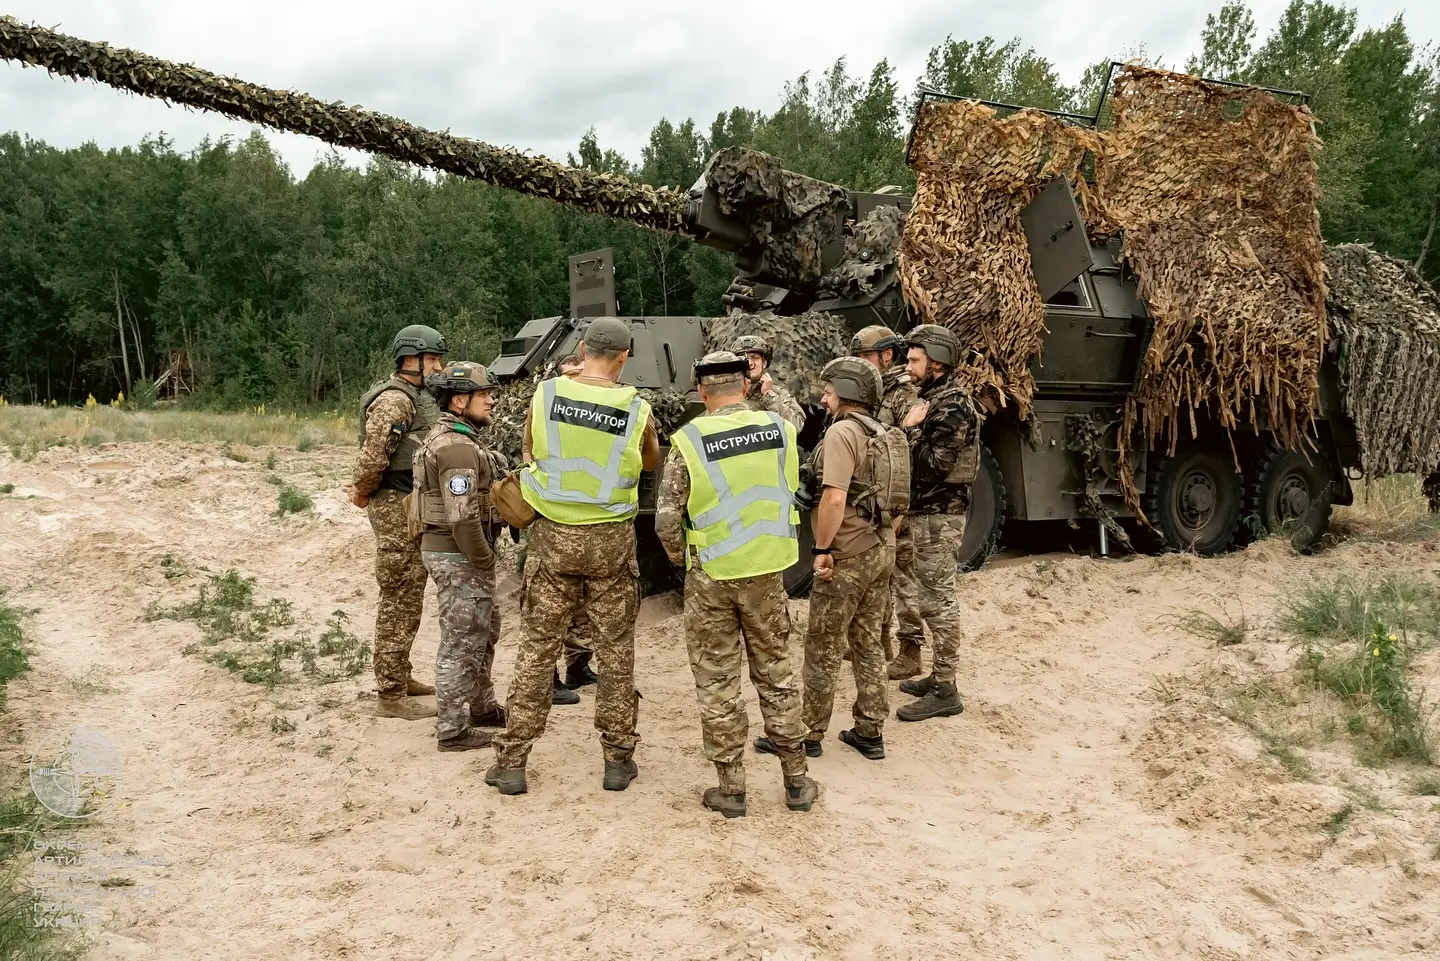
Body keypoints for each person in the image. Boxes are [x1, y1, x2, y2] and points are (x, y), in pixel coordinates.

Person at [486, 317, 660, 795]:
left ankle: (513, 762)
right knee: (616, 650)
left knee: (537, 649)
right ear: (624, 357)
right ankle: (618, 761)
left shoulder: (546, 395)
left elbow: (529, 450)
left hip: (553, 538)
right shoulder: (636, 407)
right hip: (611, 541)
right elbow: (650, 461)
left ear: (582, 350)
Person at [656, 351, 820, 818]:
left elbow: (666, 522)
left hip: (710, 577)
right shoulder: (781, 430)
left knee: (717, 681)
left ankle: (732, 789)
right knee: (777, 675)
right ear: (745, 387)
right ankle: (796, 782)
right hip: (768, 573)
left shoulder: (689, 441)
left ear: (701, 391)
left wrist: (686, 562)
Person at [758, 356, 893, 762]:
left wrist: (822, 548)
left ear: (848, 393)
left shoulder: (842, 433)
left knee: (823, 646)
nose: (823, 398)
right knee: (868, 642)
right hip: (879, 548)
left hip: (846, 554)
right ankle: (870, 732)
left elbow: (834, 496)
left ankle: (808, 733)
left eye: (830, 392)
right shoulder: (881, 432)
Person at [348, 324, 447, 720]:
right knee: (399, 596)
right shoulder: (394, 401)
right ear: (410, 360)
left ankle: (400, 676)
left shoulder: (415, 397)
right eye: (432, 359)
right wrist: (361, 490)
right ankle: (390, 694)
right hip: (393, 505)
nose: (438, 366)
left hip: (409, 503)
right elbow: (373, 457)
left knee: (409, 593)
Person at [412, 361, 507, 751]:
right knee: (462, 640)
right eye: (482, 395)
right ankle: (452, 729)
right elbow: (463, 517)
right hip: (458, 554)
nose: (490, 402)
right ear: (458, 400)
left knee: (484, 630)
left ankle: (482, 707)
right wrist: (484, 559)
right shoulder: (457, 448)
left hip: (457, 552)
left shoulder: (458, 438)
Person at [894, 324, 981, 722]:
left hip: (940, 515)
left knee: (938, 601)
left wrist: (909, 432)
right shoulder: (936, 399)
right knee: (929, 597)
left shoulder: (952, 405)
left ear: (938, 363)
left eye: (915, 360)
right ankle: (938, 676)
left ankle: (946, 689)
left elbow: (936, 466)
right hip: (928, 513)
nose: (908, 366)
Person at [850, 325, 925, 679]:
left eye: (866, 357)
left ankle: (911, 650)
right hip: (874, 499)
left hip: (898, 501)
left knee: (903, 575)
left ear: (887, 356)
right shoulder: (873, 394)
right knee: (877, 573)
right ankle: (880, 642)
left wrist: (900, 507)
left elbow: (910, 450)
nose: (861, 364)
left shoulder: (903, 394)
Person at [731, 334, 805, 431]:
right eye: (742, 358)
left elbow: (796, 427)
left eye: (754, 357)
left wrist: (768, 395)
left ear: (764, 362)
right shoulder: (727, 393)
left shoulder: (779, 394)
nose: (749, 363)